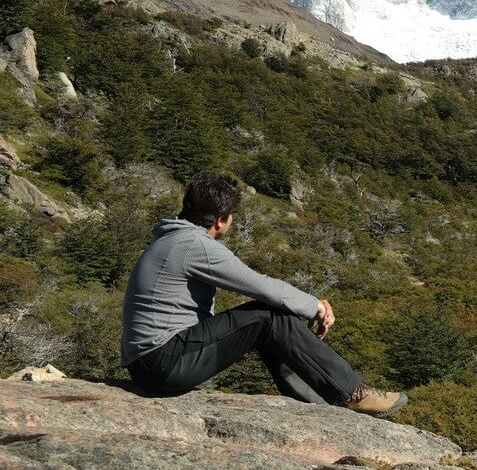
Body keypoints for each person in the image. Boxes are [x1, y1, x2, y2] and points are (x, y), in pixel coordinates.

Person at [121, 172, 407, 417]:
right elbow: (261, 286)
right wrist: (314, 305)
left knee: (264, 324)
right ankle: (352, 393)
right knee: (269, 314)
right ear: (221, 220)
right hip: (163, 363)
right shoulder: (194, 245)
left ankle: (316, 401)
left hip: (150, 364)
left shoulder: (172, 238)